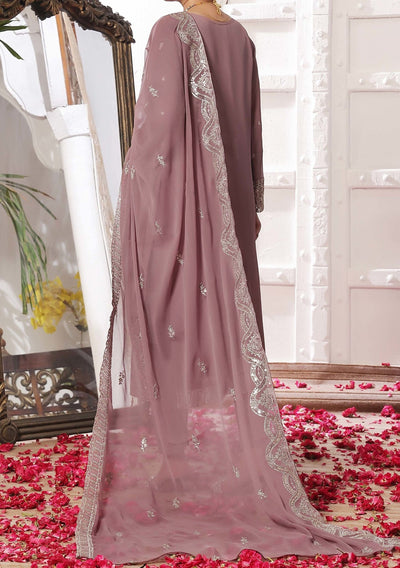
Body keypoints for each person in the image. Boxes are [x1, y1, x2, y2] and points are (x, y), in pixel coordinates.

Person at [76, 0, 400, 564]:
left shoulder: (172, 30)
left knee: (166, 323)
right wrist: (248, 207)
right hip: (230, 211)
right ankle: (192, 459)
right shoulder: (240, 37)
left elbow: (158, 133)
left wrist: (133, 188)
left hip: (178, 209)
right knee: (205, 325)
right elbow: (252, 135)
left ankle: (170, 461)